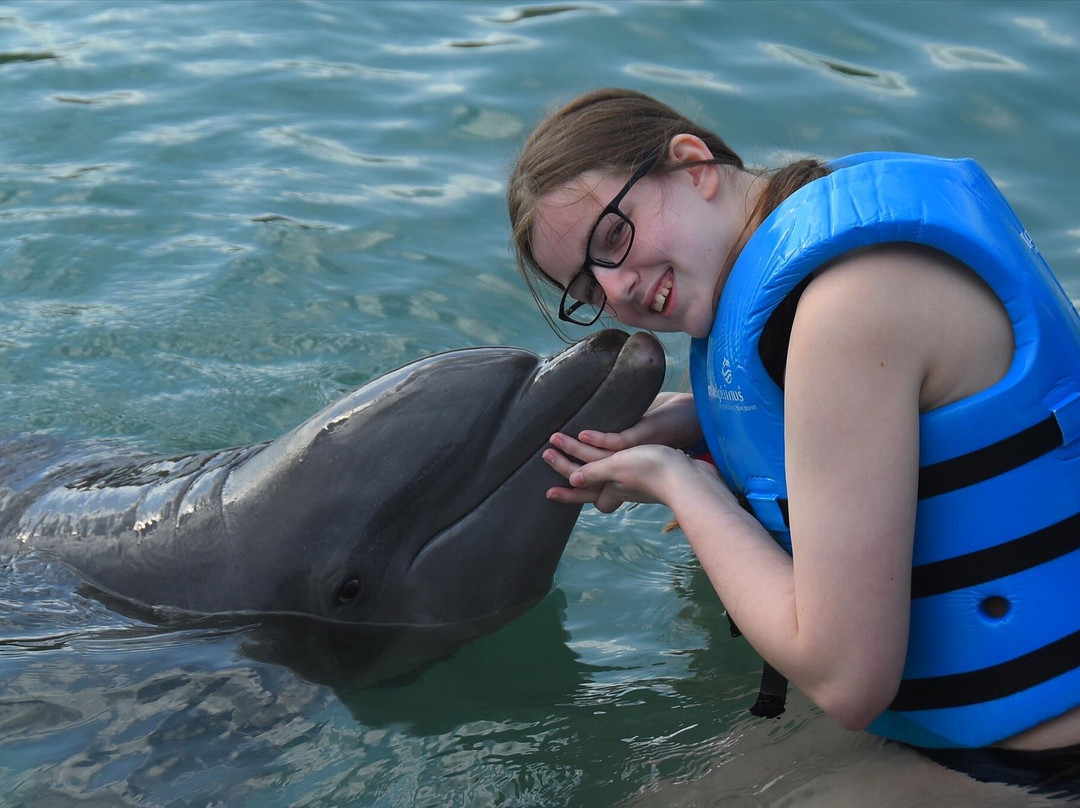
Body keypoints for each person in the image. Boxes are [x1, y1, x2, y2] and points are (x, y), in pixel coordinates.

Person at [507, 87, 1080, 794]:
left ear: (693, 165)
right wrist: (699, 421)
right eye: (587, 290)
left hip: (1036, 762)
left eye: (614, 240)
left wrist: (677, 481)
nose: (617, 289)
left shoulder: (844, 309)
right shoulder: (820, 240)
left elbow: (847, 679)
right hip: (981, 727)